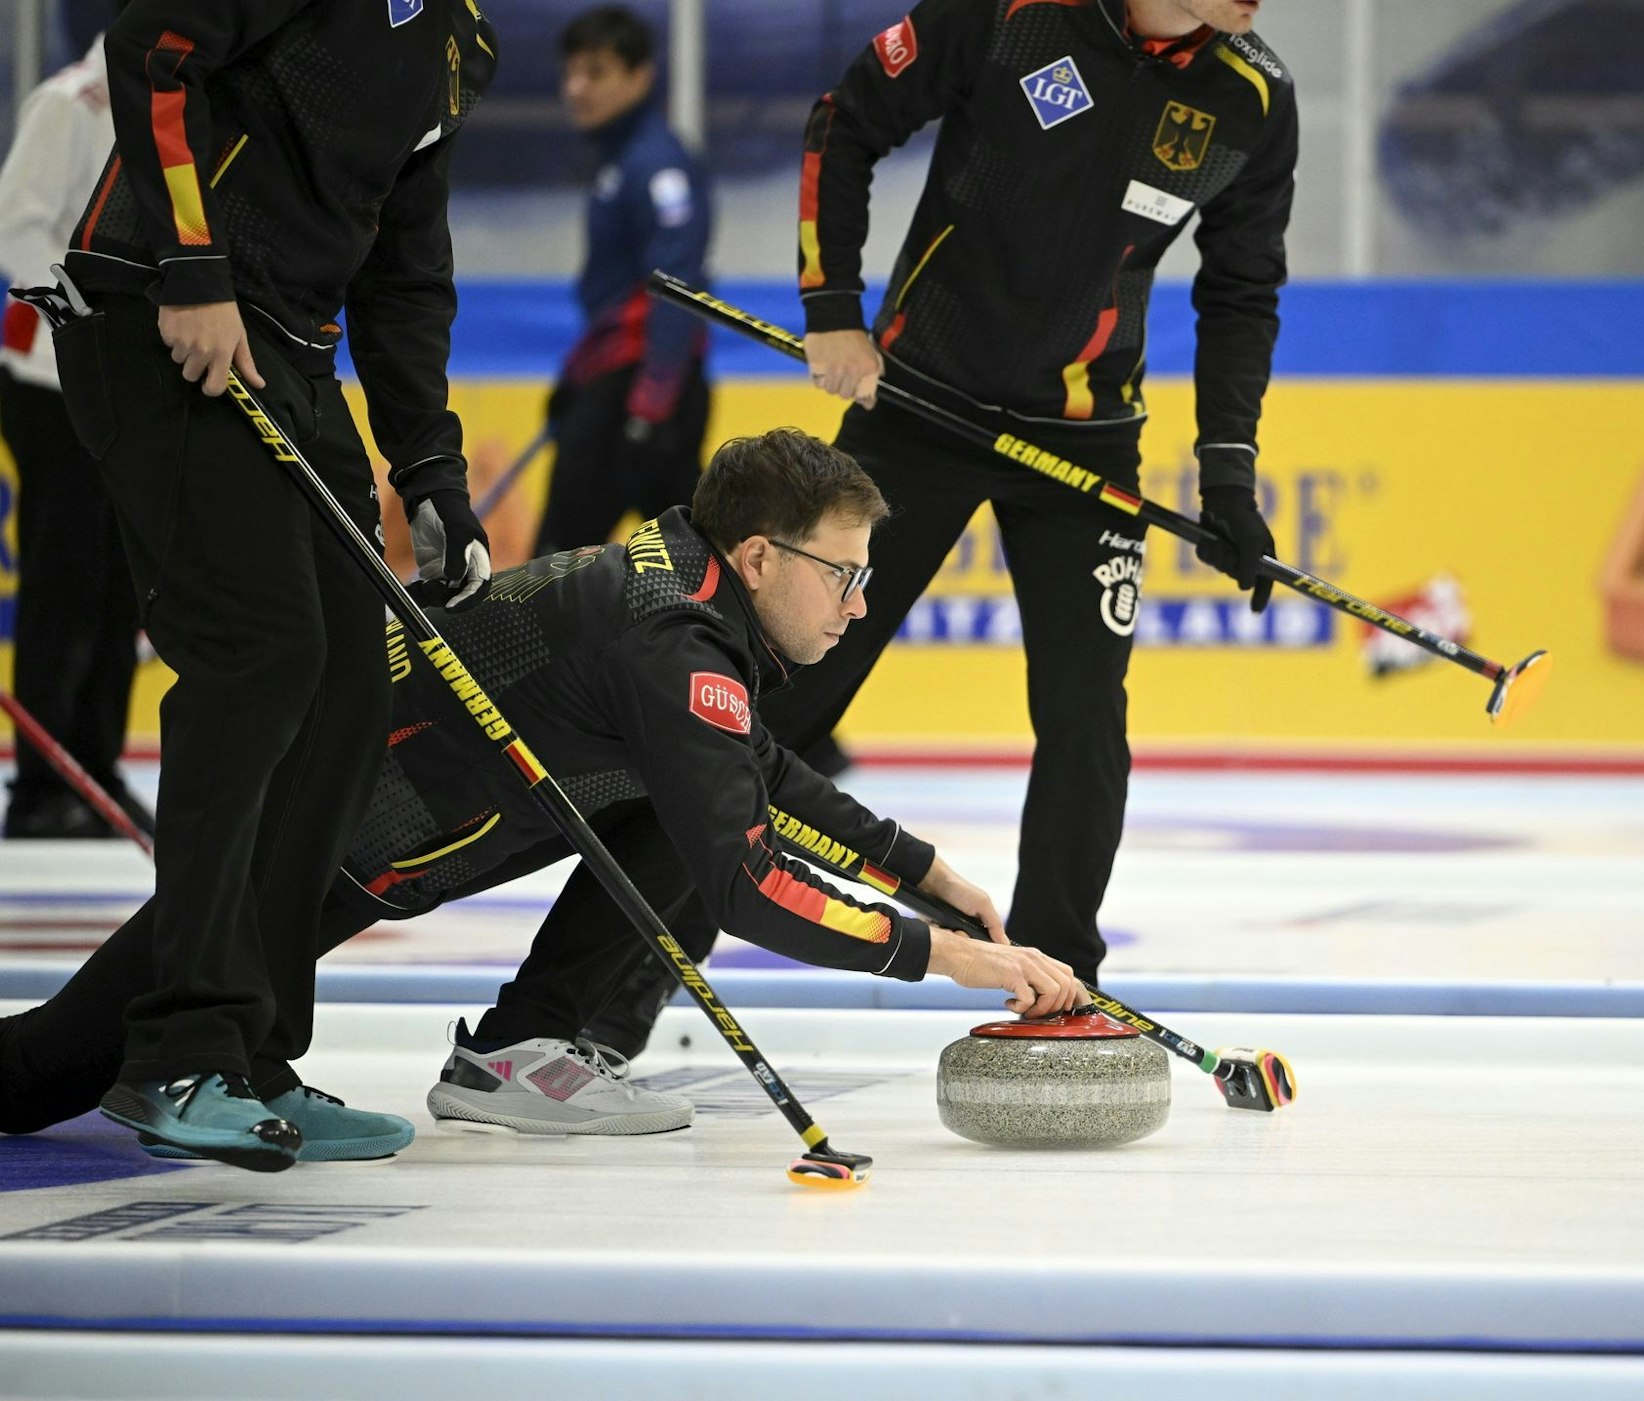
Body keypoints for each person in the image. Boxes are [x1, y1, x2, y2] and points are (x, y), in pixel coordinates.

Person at [0, 429, 1086, 1148]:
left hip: (363, 826)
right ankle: (516, 1047)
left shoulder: (686, 594)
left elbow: (746, 765)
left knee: (692, 801)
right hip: (320, 837)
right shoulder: (675, 646)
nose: (858, 604)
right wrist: (957, 959)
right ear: (760, 558)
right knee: (45, 1069)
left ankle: (526, 1043)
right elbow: (748, 885)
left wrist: (924, 872)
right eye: (843, 575)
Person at [20, 0, 499, 1172]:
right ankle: (179, 1051)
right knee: (263, 656)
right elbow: (152, 49)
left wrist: (429, 468)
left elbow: (406, 265)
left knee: (348, 694)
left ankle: (252, 1052)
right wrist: (190, 267)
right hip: (159, 317)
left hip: (290, 349)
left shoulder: (460, 43)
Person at [761, 0, 1297, 988]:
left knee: (1086, 721)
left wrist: (1227, 470)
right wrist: (831, 307)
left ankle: (1057, 983)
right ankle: (604, 986)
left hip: (1084, 443)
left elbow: (1242, 288)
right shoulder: (1011, 12)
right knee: (786, 693)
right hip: (918, 411)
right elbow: (846, 119)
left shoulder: (1253, 96)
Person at [0, 19, 151, 840]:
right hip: (51, 378)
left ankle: (95, 766)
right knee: (65, 578)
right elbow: (17, 228)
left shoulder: (166, 108)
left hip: (130, 383)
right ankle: (40, 781)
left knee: (123, 579)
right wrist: (83, 317)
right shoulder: (69, 103)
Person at [535, 4, 713, 555]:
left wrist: (651, 404)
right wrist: (577, 376)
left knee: (554, 569)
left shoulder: (656, 165)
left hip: (638, 389)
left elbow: (675, 289)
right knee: (695, 564)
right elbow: (618, 300)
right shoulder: (620, 160)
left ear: (640, 76)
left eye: (596, 72)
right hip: (624, 383)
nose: (576, 87)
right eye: (570, 72)